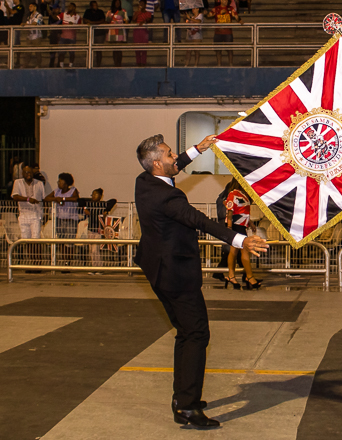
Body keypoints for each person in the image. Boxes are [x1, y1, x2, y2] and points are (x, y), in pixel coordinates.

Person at [134, 134, 268, 428]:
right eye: (170, 154)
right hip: (176, 273)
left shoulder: (144, 181)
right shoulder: (167, 197)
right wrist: (240, 240)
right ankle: (187, 407)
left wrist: (198, 149)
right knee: (196, 334)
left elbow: (173, 166)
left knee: (185, 332)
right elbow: (199, 220)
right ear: (157, 162)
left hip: (157, 269)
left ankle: (182, 396)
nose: (175, 158)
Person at [223, 178, 262, 289]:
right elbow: (230, 211)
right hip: (236, 226)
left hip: (240, 226)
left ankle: (232, 276)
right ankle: (249, 277)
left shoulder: (242, 194)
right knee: (244, 251)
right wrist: (229, 227)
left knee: (234, 251)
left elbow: (242, 212)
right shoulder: (234, 194)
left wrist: (251, 223)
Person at [12, 164, 45, 269]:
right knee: (26, 240)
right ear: (22, 173)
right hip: (23, 214)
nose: (28, 174)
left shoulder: (39, 183)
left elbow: (43, 198)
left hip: (35, 214)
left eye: (30, 172)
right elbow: (15, 196)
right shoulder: (18, 183)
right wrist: (27, 199)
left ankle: (38, 263)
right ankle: (31, 262)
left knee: (36, 239)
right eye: (26, 172)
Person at [44, 172, 80, 268]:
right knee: (62, 241)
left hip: (71, 220)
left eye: (60, 181)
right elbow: (46, 198)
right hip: (59, 219)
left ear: (66, 183)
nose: (58, 183)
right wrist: (56, 198)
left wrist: (63, 199)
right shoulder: (56, 192)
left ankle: (68, 261)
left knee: (70, 242)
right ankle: (64, 260)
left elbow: (75, 199)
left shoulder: (73, 190)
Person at [81, 187, 117, 272]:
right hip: (91, 229)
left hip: (98, 229)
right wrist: (85, 208)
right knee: (91, 250)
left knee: (95, 249)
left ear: (100, 196)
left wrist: (106, 210)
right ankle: (94, 267)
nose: (93, 196)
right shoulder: (90, 204)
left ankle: (99, 268)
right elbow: (80, 200)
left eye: (95, 194)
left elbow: (113, 201)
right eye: (92, 194)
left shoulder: (102, 205)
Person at [207, 0, 242, 67]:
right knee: (218, 50)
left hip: (228, 32)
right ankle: (219, 64)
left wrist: (240, 20)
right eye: (224, 0)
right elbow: (209, 15)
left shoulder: (230, 8)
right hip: (218, 32)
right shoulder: (216, 8)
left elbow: (236, 16)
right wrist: (206, 14)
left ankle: (231, 64)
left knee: (229, 50)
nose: (226, 1)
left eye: (226, 0)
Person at [58, 2, 81, 68]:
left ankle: (70, 65)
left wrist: (73, 25)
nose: (68, 8)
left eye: (70, 6)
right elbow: (56, 18)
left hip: (72, 38)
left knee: (72, 53)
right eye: (68, 6)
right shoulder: (63, 14)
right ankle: (61, 65)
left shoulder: (78, 17)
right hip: (63, 37)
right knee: (61, 52)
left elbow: (79, 28)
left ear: (74, 8)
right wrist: (50, 13)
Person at [83, 1, 106, 67]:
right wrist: (89, 22)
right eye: (94, 5)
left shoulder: (100, 12)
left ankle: (98, 65)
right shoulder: (87, 12)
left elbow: (102, 20)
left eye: (96, 5)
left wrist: (92, 23)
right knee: (89, 50)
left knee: (99, 50)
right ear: (91, 6)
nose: (95, 6)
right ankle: (89, 64)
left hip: (99, 34)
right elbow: (84, 20)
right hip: (90, 33)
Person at [106, 0, 128, 67]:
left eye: (119, 3)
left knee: (119, 49)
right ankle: (115, 63)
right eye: (116, 2)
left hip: (120, 31)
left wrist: (124, 21)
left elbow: (126, 20)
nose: (117, 4)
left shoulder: (123, 11)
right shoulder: (109, 12)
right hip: (112, 31)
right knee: (114, 49)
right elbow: (107, 20)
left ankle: (119, 64)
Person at [22, 2, 44, 68]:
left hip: (37, 36)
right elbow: (27, 24)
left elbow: (34, 23)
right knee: (27, 52)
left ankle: (39, 65)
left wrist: (25, 24)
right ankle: (25, 64)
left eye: (31, 6)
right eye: (29, 7)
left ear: (35, 7)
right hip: (30, 36)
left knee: (38, 52)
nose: (29, 8)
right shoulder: (30, 16)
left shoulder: (39, 15)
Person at [6, 0, 25, 67]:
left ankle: (17, 60)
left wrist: (7, 6)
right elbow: (9, 15)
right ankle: (11, 59)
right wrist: (8, 9)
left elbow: (12, 12)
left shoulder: (20, 7)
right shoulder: (14, 7)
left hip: (16, 28)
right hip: (11, 27)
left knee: (16, 44)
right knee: (11, 44)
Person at [133, 0, 151, 67]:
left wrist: (143, 20)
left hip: (144, 31)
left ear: (145, 5)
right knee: (137, 49)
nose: (141, 5)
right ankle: (138, 63)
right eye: (140, 4)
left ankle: (143, 63)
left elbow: (148, 20)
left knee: (144, 49)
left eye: (143, 4)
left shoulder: (148, 13)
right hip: (136, 31)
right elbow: (133, 20)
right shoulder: (136, 12)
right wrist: (138, 13)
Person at [47, 4, 61, 68]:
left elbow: (56, 19)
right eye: (53, 9)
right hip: (52, 35)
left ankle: (59, 64)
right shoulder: (50, 16)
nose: (54, 10)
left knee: (59, 50)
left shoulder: (61, 15)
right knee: (52, 50)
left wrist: (51, 14)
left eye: (55, 9)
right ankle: (51, 64)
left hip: (59, 34)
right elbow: (49, 24)